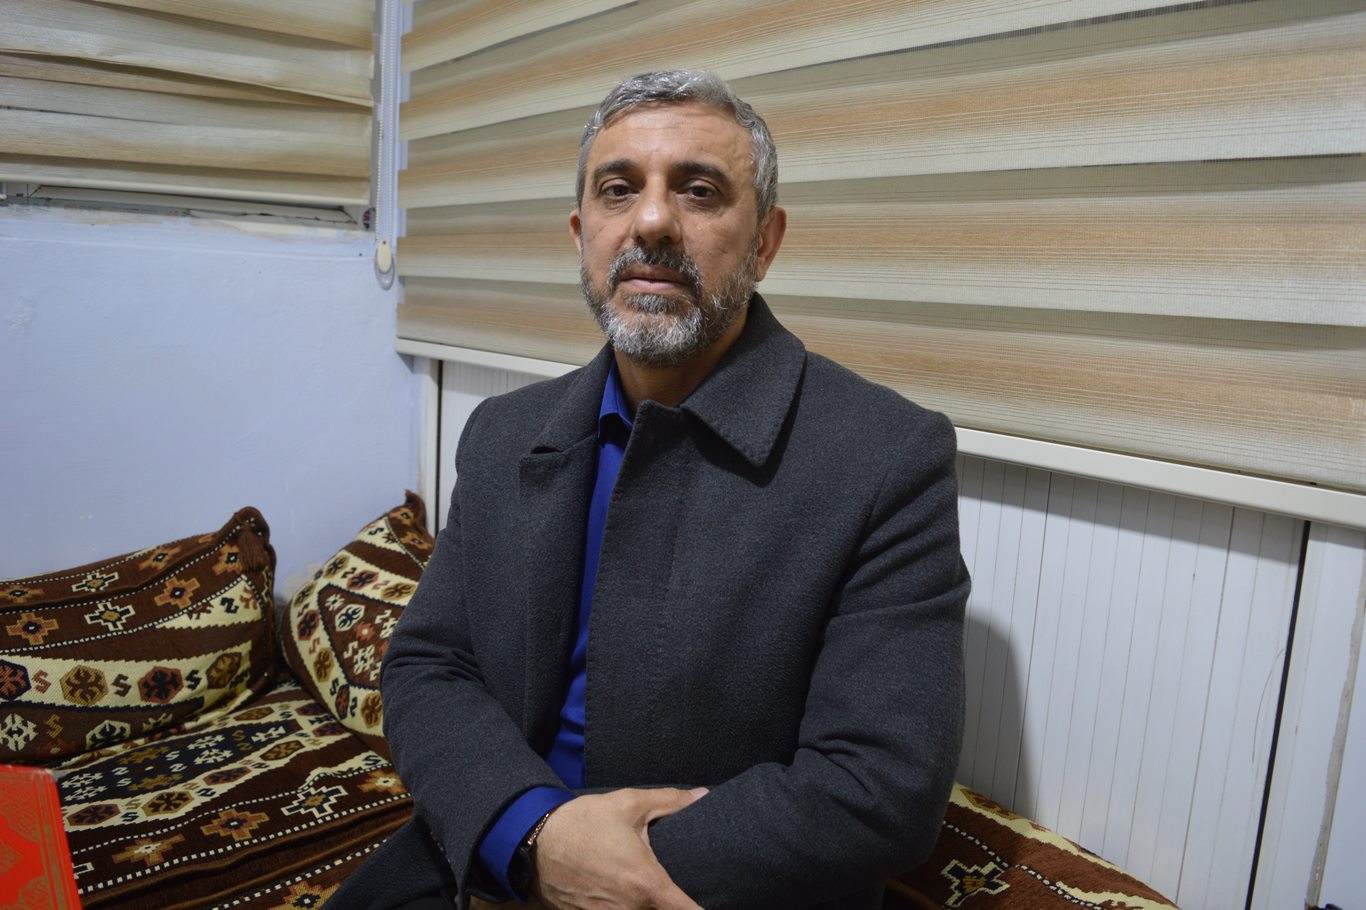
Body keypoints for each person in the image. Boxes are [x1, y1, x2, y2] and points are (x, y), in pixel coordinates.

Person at [329, 69, 968, 910]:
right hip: (492, 851)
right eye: (618, 189)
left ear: (766, 242)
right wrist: (532, 836)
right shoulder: (503, 434)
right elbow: (427, 665)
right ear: (581, 233)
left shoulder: (887, 459)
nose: (654, 221)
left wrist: (606, 872)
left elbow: (879, 787)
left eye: (700, 191)